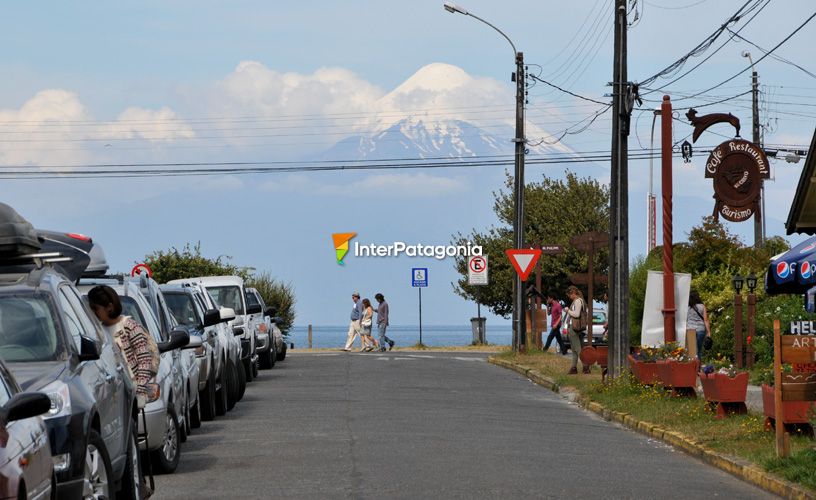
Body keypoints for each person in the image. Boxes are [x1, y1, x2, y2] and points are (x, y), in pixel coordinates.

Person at [87, 285, 160, 404]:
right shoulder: (98, 331)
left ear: (109, 307)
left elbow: (144, 359)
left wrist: (140, 391)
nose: (93, 312)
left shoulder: (130, 326)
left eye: (95, 308)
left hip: (130, 394)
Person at [565, 285, 589, 374]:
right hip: (579, 327)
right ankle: (573, 368)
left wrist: (568, 310)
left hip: (575, 327)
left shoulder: (577, 301)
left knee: (578, 349)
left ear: (573, 293)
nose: (569, 297)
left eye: (569, 295)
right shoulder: (581, 301)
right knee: (575, 349)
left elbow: (576, 314)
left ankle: (586, 367)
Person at [688, 289, 711, 361]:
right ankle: (698, 368)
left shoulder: (687, 307)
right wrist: (709, 332)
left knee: (691, 351)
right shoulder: (702, 306)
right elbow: (705, 320)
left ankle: (692, 367)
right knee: (699, 350)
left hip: (690, 329)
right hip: (700, 329)